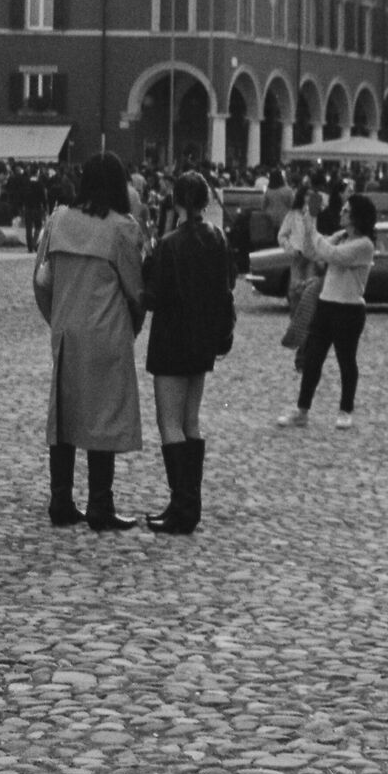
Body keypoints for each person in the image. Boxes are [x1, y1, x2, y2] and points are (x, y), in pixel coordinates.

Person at [34, 152, 147, 532]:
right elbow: (136, 289)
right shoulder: (122, 228)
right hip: (108, 330)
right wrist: (133, 325)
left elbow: (42, 282)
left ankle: (60, 499)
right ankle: (100, 503)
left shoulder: (58, 220)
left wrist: (57, 320)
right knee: (105, 416)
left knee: (64, 416)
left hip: (67, 330)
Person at [140, 172, 234, 535]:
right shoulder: (217, 238)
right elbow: (228, 282)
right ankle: (188, 505)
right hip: (203, 340)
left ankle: (182, 506)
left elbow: (151, 294)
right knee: (190, 420)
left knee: (169, 422)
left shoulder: (169, 243)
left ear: (175, 200)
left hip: (171, 339)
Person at [281, 193, 377, 430]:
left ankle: (346, 410)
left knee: (346, 361)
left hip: (349, 309)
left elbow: (332, 255)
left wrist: (312, 225)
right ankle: (302, 410)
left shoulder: (364, 245)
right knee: (312, 359)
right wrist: (308, 221)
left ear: (357, 216)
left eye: (346, 210)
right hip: (326, 305)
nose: (341, 213)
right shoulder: (341, 236)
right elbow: (313, 251)